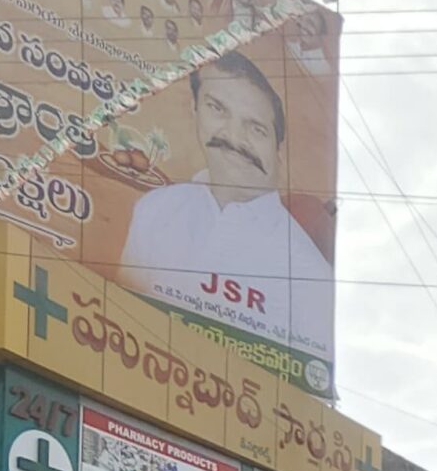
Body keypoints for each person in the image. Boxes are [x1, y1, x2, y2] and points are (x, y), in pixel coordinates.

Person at [116, 50, 333, 362]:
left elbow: (303, 397)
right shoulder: (156, 210)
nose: (234, 137)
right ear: (195, 111)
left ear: (278, 150)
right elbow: (120, 323)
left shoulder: (310, 276)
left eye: (256, 128)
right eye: (217, 108)